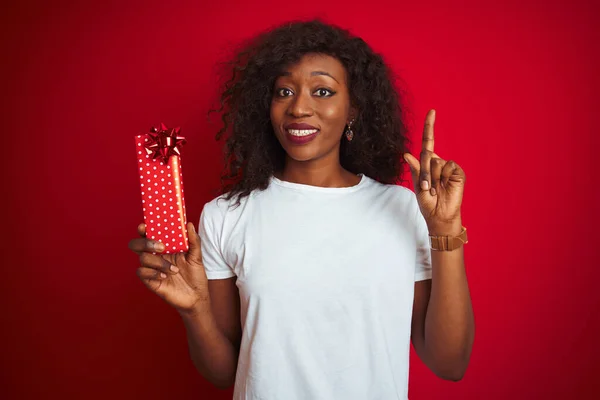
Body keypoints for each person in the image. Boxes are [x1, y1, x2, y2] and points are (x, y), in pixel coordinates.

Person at [128, 19, 474, 400]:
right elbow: (224, 371)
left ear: (353, 110)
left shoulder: (401, 208)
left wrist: (446, 228)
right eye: (284, 92)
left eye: (322, 91)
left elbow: (450, 363)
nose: (299, 107)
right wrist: (194, 311)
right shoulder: (226, 215)